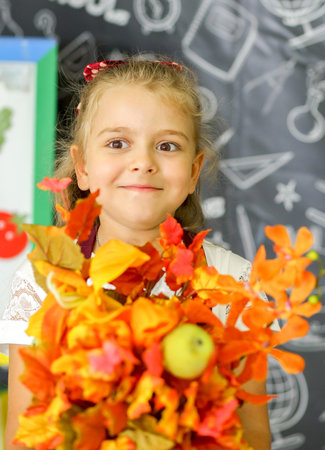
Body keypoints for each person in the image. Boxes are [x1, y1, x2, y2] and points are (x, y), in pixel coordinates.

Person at [2, 57, 272, 449]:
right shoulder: (49, 279)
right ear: (82, 167)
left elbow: (255, 435)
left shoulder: (235, 283)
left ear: (194, 170)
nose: (143, 162)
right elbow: (22, 436)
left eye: (167, 145)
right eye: (117, 143)